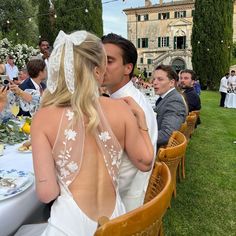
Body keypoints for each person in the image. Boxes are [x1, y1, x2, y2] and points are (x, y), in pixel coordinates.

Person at [15, 30, 153, 236]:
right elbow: (146, 162)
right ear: (97, 70)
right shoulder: (122, 109)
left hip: (69, 226)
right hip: (114, 222)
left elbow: (47, 194)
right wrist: (141, 121)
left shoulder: (43, 118)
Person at [101, 33, 157, 211]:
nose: (100, 66)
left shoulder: (128, 106)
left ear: (128, 68)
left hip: (125, 201)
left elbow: (128, 171)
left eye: (109, 61)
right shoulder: (122, 98)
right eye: (98, 59)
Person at [153, 64, 187, 150]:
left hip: (156, 151)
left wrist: (138, 138)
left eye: (160, 79)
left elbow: (166, 134)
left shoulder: (175, 101)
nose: (154, 82)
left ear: (171, 83)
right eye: (154, 79)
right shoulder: (169, 97)